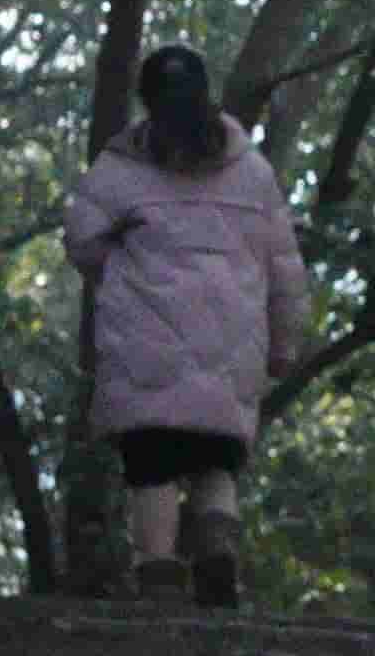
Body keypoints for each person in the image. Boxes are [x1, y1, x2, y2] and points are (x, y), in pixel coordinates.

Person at [65, 45, 315, 605]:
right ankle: (217, 556)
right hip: (230, 346)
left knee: (151, 465)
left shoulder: (123, 166)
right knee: (214, 459)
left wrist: (127, 265)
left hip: (144, 340)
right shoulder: (252, 172)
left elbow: (81, 240)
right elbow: (285, 268)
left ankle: (157, 575)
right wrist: (285, 342)